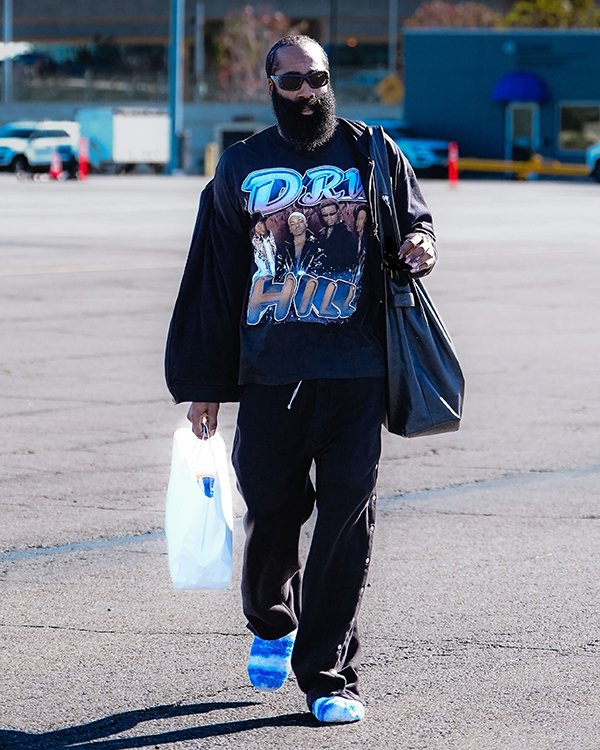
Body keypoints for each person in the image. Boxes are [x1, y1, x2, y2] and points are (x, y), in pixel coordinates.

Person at [165, 34, 436, 724]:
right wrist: (204, 385)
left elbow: (416, 222)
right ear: (272, 87)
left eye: (317, 78)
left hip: (357, 368)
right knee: (272, 511)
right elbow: (216, 279)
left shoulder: (371, 149)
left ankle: (328, 676)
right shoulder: (241, 165)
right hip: (270, 373)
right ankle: (270, 620)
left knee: (347, 520)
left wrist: (420, 244)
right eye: (293, 82)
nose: (308, 92)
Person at [276, 211, 325, 280]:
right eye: (293, 224)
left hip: (310, 282)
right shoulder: (284, 248)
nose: (297, 226)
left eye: (300, 221)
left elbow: (320, 268)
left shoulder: (317, 244)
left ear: (306, 224)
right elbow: (279, 271)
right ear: (290, 229)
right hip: (288, 283)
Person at [317, 198, 356, 274]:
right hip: (323, 275)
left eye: (332, 214)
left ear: (338, 212)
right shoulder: (321, 233)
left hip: (339, 275)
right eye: (325, 215)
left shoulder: (346, 233)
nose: (329, 218)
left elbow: (349, 260)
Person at [250, 211, 277, 277]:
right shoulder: (257, 245)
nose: (259, 227)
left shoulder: (275, 239)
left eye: (261, 224)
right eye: (257, 226)